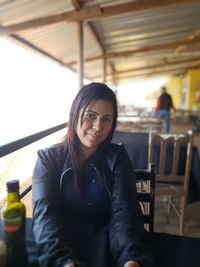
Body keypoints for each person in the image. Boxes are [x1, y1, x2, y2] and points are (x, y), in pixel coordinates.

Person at [32, 82, 155, 267]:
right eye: (91, 116)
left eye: (106, 119)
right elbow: (44, 215)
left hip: (106, 248)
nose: (98, 127)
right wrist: (63, 261)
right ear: (75, 114)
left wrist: (131, 258)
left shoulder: (117, 158)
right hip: (61, 245)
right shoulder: (48, 159)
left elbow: (124, 212)